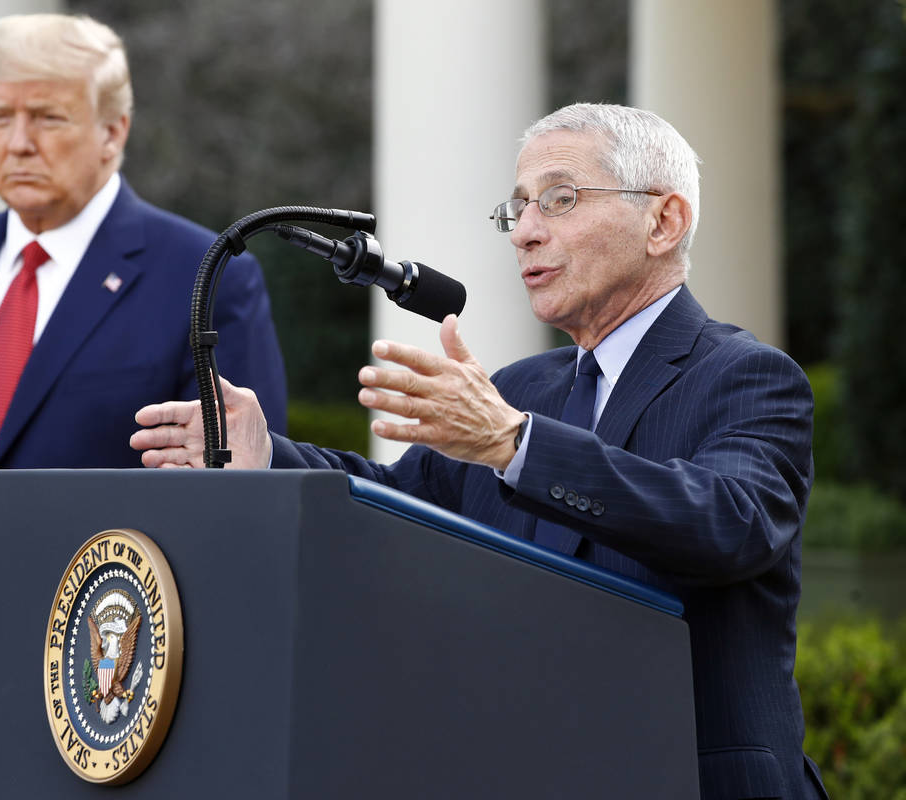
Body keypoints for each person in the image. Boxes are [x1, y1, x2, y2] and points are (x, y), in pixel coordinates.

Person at [131, 103, 828, 799]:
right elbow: (393, 507)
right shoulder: (523, 389)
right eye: (517, 209)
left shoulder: (747, 377)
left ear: (663, 221)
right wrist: (268, 455)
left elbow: (729, 523)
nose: (525, 233)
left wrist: (514, 443)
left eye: (559, 200)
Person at [0, 13, 287, 800]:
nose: (17, 141)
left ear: (114, 131)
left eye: (48, 117)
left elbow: (239, 513)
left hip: (105, 715)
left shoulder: (204, 276)